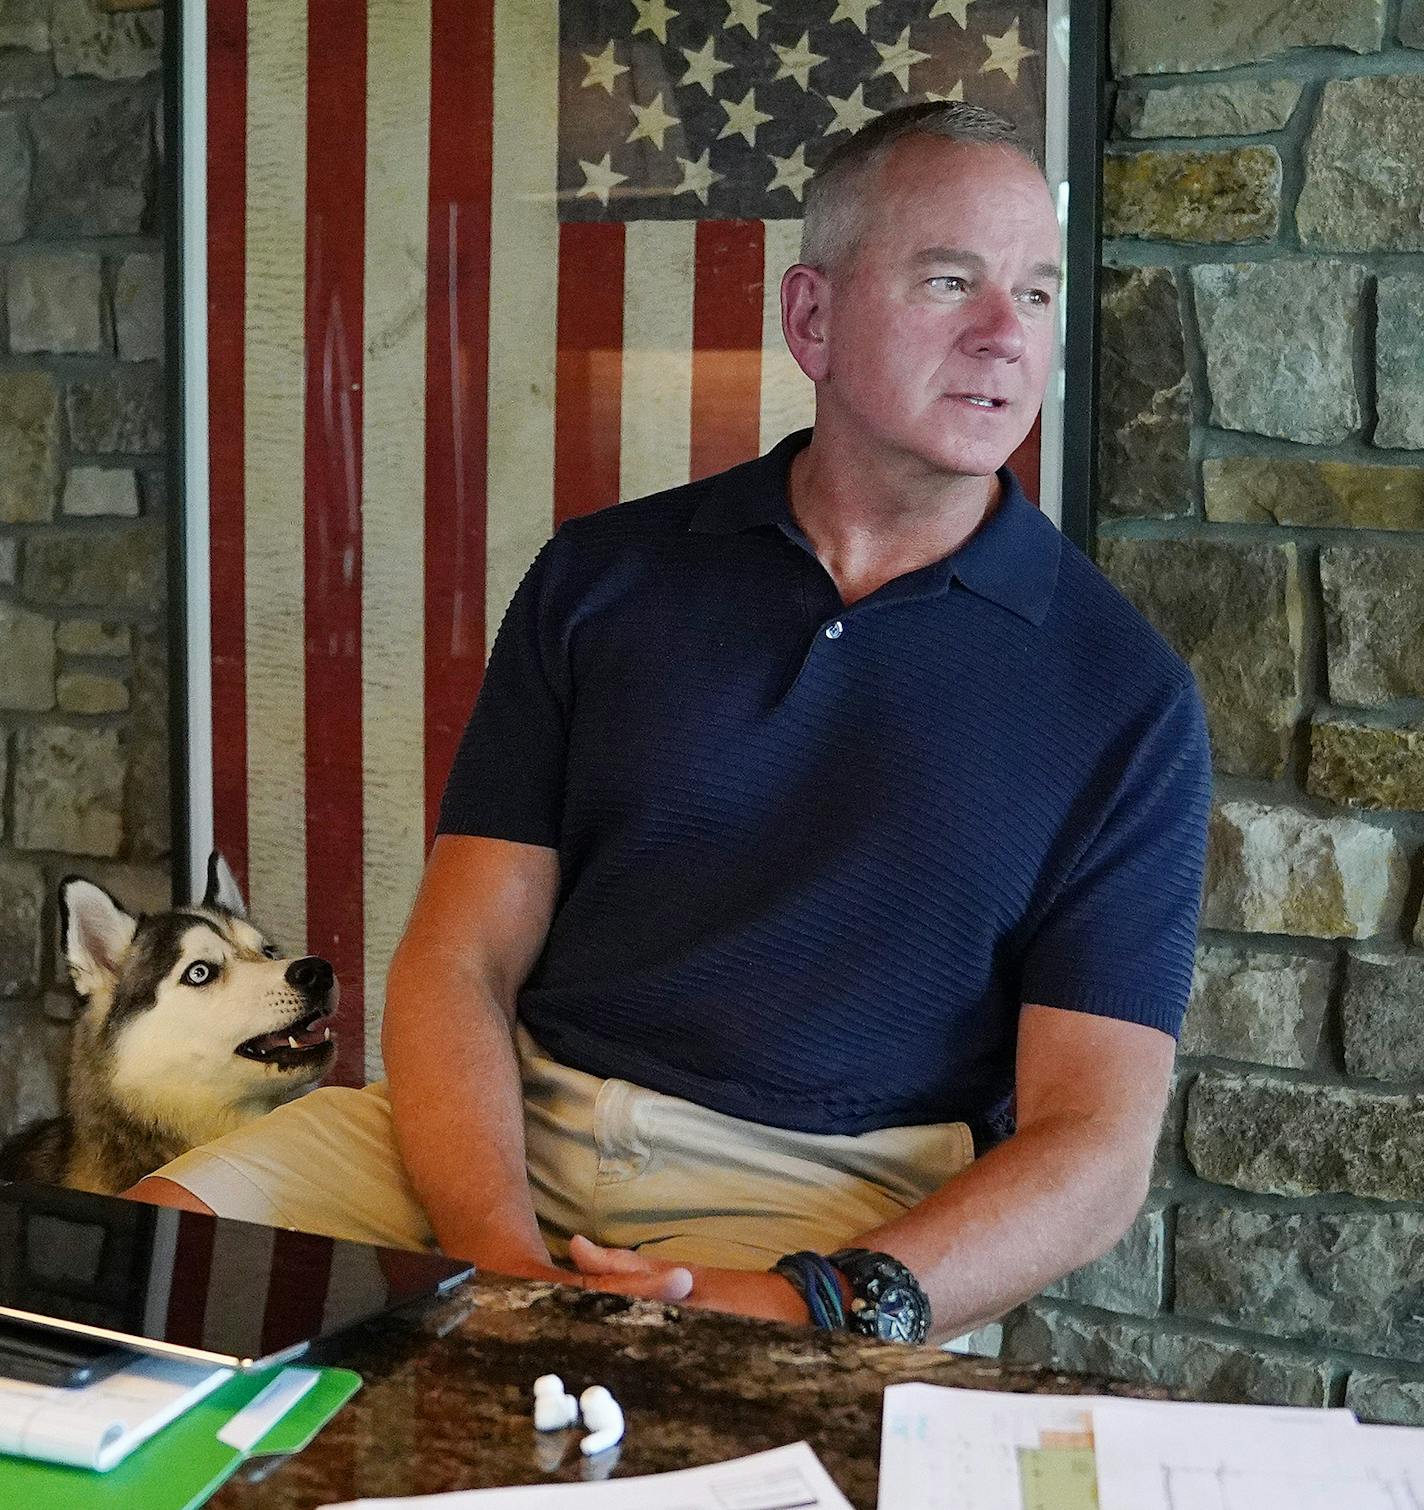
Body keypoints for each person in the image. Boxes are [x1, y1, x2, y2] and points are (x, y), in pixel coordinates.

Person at [130, 102, 1211, 1345]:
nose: (999, 335)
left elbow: (1092, 1146)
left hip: (819, 1201)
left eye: (1031, 293)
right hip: (494, 1130)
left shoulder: (1121, 698)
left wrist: (798, 1298)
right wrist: (495, 1258)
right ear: (810, 318)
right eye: (948, 280)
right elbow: (457, 959)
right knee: (145, 1294)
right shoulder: (605, 577)